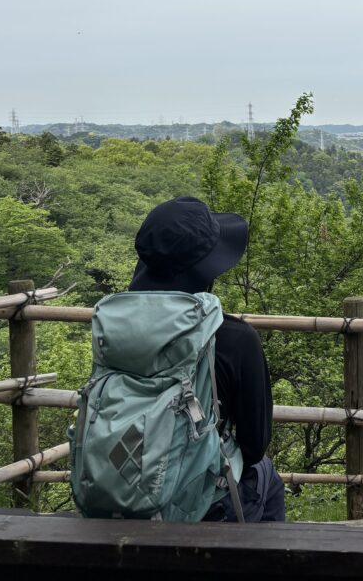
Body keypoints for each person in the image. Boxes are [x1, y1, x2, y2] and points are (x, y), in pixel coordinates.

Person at [129, 196, 285, 522]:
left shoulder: (116, 331)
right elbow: (254, 446)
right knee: (266, 476)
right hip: (197, 504)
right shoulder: (234, 338)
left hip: (120, 481)